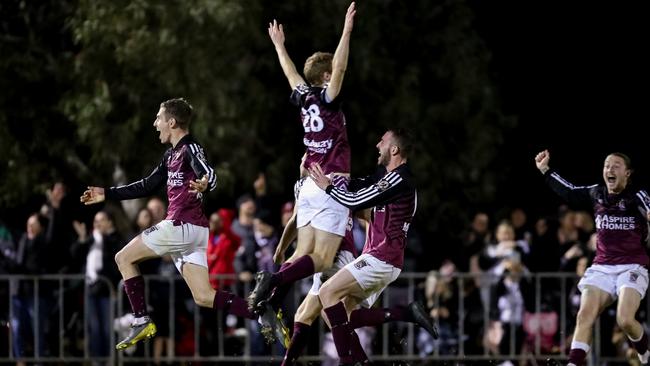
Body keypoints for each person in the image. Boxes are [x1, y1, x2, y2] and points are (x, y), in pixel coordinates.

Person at [80, 98, 256, 350]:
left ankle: (141, 319)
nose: (155, 124)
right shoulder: (171, 155)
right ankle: (259, 310)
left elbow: (208, 171)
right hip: (192, 232)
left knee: (123, 258)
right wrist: (106, 193)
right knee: (204, 296)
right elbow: (147, 185)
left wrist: (207, 182)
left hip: (180, 225)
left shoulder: (189, 148)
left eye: (158, 118)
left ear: (171, 122)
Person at [248, 2, 357, 313]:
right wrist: (346, 31)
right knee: (321, 259)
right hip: (330, 184)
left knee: (301, 256)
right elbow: (340, 68)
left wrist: (279, 46)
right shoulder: (326, 97)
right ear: (324, 76)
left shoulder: (303, 96)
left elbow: (290, 72)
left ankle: (269, 301)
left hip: (307, 185)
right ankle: (269, 280)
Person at [308, 129, 438, 365]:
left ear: (394, 149)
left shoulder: (400, 179)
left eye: (383, 141)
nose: (378, 144)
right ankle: (404, 315)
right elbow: (356, 186)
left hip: (382, 258)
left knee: (327, 293)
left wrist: (328, 187)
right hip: (380, 259)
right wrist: (337, 177)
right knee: (337, 315)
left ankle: (348, 362)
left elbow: (355, 200)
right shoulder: (386, 178)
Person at [534, 149, 650, 366]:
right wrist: (545, 170)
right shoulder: (596, 193)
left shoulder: (638, 196)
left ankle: (646, 353)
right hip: (602, 267)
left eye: (616, 166)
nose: (610, 169)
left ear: (628, 173)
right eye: (607, 165)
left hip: (632, 267)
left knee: (624, 319)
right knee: (584, 316)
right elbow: (569, 191)